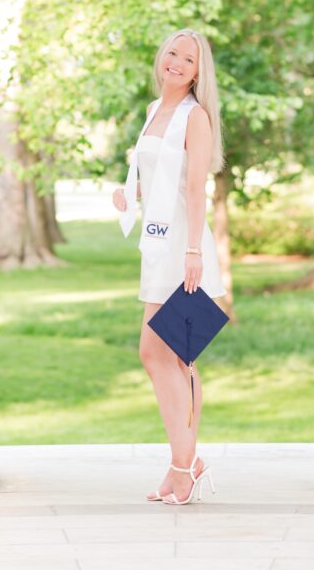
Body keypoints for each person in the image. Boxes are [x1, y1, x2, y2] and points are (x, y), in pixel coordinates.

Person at [112, 28, 226, 504]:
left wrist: (194, 251)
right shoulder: (153, 110)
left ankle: (185, 465)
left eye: (189, 59)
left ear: (198, 72)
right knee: (174, 358)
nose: (177, 62)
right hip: (158, 245)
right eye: (173, 53)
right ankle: (184, 464)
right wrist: (130, 193)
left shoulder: (194, 117)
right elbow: (162, 178)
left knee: (160, 353)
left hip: (183, 246)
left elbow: (196, 187)